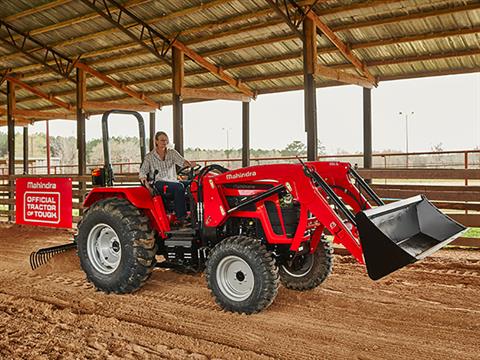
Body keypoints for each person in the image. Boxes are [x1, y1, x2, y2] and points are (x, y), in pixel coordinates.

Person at [139, 131, 196, 224]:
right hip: (159, 183)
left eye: (166, 140)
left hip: (173, 180)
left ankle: (196, 213)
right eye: (162, 140)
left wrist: (191, 165)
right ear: (156, 141)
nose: (164, 142)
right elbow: (142, 173)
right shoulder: (149, 157)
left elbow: (183, 162)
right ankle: (181, 217)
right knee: (179, 187)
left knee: (195, 183)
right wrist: (148, 186)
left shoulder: (172, 153)